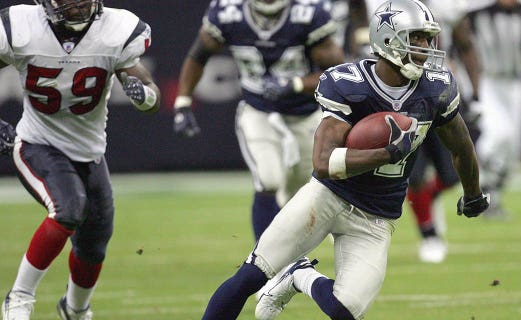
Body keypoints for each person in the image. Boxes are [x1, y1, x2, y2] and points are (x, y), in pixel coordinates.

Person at [200, 0, 490, 319]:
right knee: (251, 276)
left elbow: (461, 146)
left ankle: (301, 276)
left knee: (346, 311)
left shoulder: (437, 88)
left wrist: (473, 194)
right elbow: (324, 162)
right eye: (416, 38)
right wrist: (385, 153)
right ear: (388, 39)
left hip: (376, 216)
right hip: (328, 196)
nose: (425, 47)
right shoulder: (349, 83)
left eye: (427, 38)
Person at [0, 0, 160, 319]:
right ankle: (18, 297)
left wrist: (147, 97)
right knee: (68, 209)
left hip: (89, 153)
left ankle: (74, 309)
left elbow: (149, 89)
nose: (79, 5)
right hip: (37, 143)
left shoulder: (115, 30)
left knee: (94, 242)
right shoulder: (20, 27)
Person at [172, 0, 345, 241]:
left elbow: (337, 73)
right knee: (268, 179)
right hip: (258, 111)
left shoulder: (307, 12)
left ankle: (288, 236)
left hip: (304, 114)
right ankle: (263, 264)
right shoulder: (227, 12)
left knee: (307, 189)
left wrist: (294, 84)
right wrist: (183, 103)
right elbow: (199, 55)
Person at [405, 0, 483, 264]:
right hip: (398, 97)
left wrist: (476, 93)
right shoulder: (385, 6)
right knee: (413, 176)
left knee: (452, 175)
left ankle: (424, 197)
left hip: (438, 94)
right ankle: (429, 235)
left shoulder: (448, 6)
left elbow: (466, 46)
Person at [467, 0, 521, 219]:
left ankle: (493, 199)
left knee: (513, 149)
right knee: (499, 133)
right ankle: (479, 180)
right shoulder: (479, 13)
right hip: (488, 81)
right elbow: (458, 39)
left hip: (515, 83)